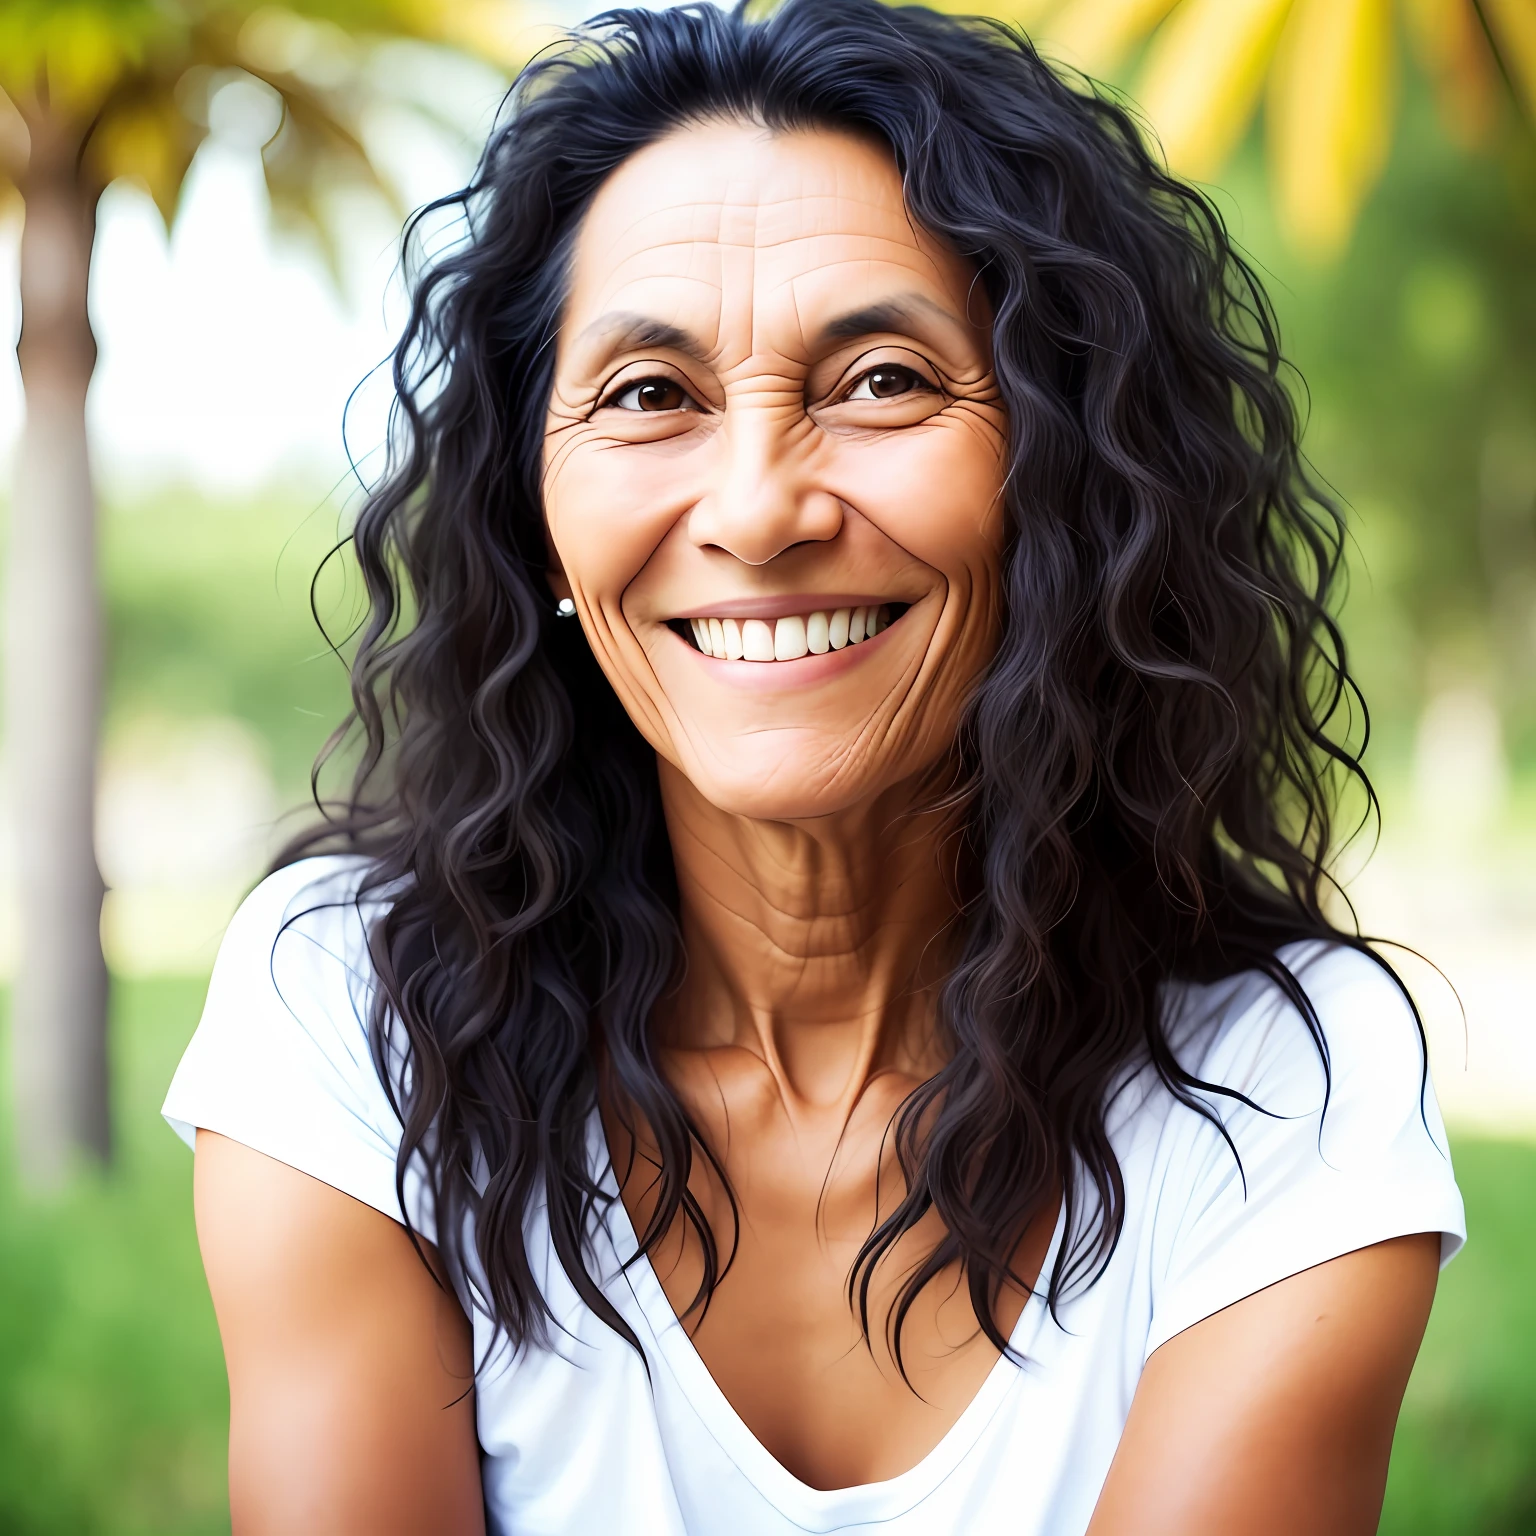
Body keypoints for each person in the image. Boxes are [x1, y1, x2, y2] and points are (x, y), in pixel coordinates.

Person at [163, 1, 1466, 1530]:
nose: (761, 507)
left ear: (1071, 483)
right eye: (651, 397)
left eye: (884, 382)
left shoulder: (1282, 1088)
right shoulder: (354, 1019)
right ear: (539, 523)